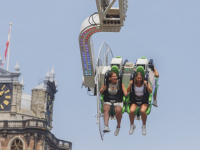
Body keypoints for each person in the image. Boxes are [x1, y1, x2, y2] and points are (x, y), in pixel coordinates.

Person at [100, 71, 128, 136]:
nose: (115, 77)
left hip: (117, 100)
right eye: (114, 76)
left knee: (118, 110)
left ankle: (118, 126)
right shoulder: (106, 84)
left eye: (116, 76)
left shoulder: (120, 84)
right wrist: (103, 89)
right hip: (108, 100)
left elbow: (125, 93)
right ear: (110, 78)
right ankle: (106, 126)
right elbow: (101, 92)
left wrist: (127, 93)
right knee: (105, 109)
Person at [127, 70, 152, 135]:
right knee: (131, 111)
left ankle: (144, 126)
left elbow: (150, 91)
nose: (139, 79)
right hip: (135, 100)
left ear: (142, 78)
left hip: (143, 100)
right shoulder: (133, 83)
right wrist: (130, 85)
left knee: (143, 111)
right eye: (138, 78)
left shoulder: (145, 83)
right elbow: (127, 90)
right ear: (135, 78)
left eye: (140, 78)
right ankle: (132, 126)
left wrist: (146, 85)